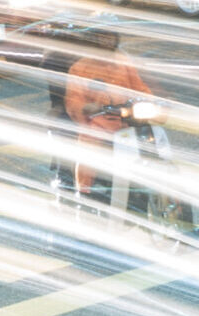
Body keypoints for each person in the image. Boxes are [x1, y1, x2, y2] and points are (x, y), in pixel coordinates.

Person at [59, 30, 155, 209]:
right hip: (98, 122)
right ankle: (84, 192)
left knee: (152, 140)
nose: (106, 41)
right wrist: (86, 108)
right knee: (90, 144)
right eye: (101, 37)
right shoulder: (80, 68)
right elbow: (74, 101)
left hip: (127, 121)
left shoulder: (123, 62)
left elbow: (140, 88)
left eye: (109, 37)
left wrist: (151, 100)